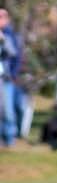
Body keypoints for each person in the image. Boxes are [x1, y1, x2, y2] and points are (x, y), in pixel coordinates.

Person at [0, 8, 23, 146]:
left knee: (8, 110)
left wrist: (3, 41)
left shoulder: (10, 35)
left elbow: (15, 55)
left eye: (2, 16)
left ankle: (9, 139)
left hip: (6, 78)